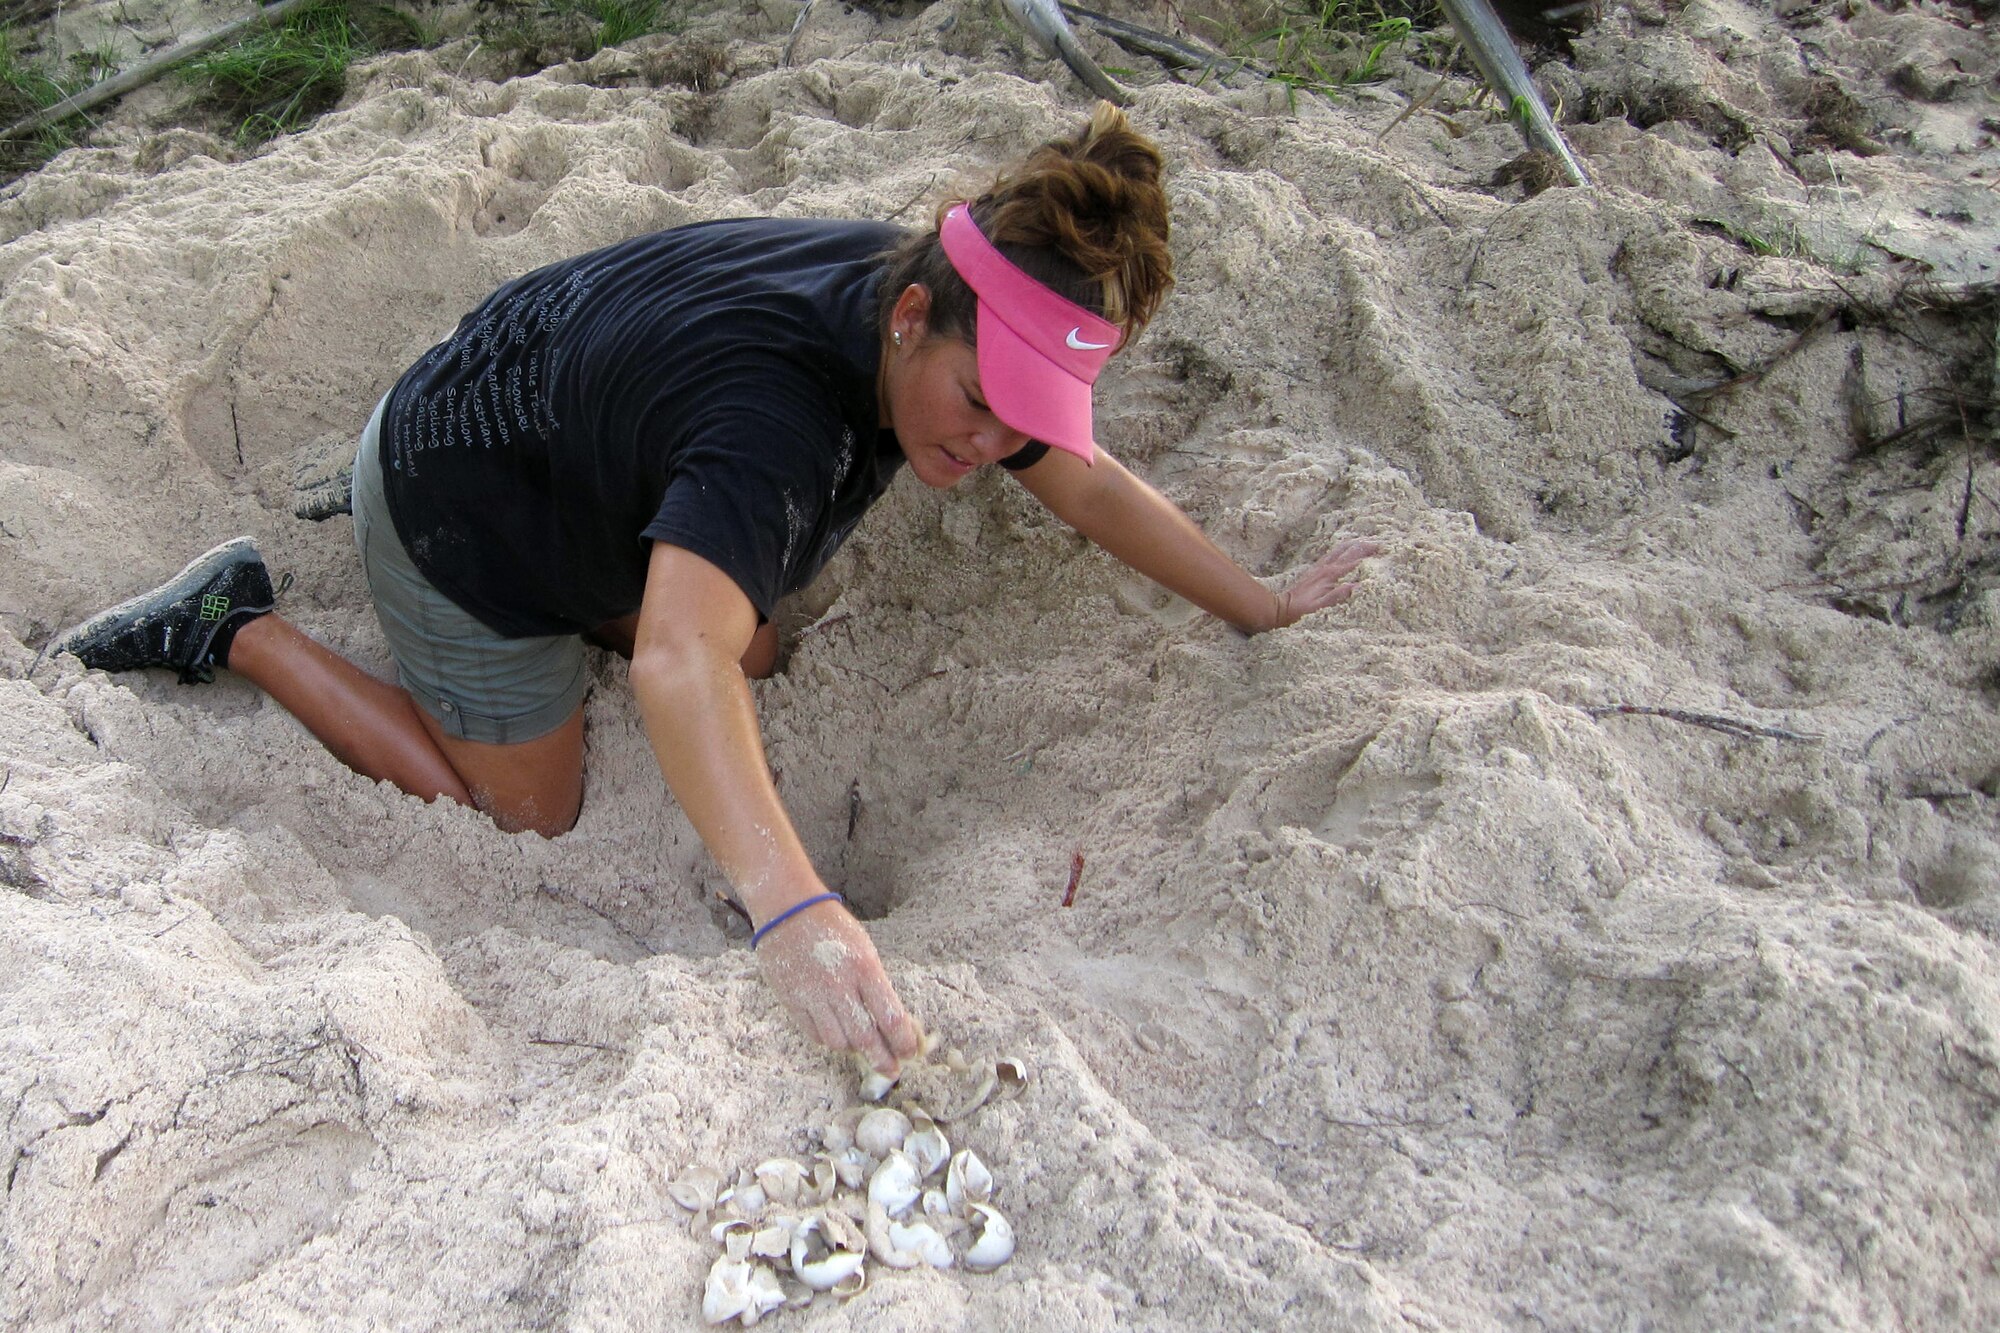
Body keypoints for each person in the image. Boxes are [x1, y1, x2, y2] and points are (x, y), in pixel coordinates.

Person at [50, 104, 1376, 1077]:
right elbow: (676, 662)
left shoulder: (906, 285)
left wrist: (1258, 601)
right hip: (460, 505)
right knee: (532, 811)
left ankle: (518, 549)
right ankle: (243, 623)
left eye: (1019, 420)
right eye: (977, 405)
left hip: (551, 426)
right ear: (915, 315)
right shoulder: (776, 424)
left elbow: (1085, 481)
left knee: (750, 648)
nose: (985, 451)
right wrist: (798, 911)